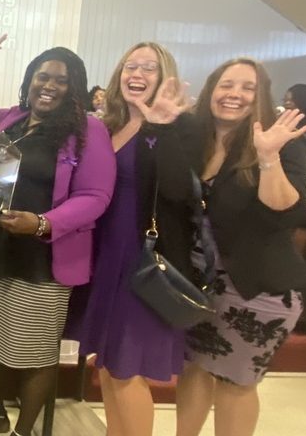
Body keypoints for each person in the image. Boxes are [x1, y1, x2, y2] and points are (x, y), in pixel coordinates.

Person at [0, 32, 116, 436]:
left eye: (61, 79)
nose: (48, 85)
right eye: (41, 75)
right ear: (29, 79)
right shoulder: (9, 120)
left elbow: (95, 195)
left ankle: (24, 429)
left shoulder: (88, 131)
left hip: (42, 260)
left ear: (76, 88)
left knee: (33, 353)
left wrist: (41, 223)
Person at [176, 58, 306, 436]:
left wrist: (268, 157)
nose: (234, 94)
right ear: (211, 90)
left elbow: (285, 213)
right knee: (195, 368)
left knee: (236, 381)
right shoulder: (193, 137)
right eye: (226, 84)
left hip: (255, 289)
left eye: (247, 87)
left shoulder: (282, 141)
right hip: (198, 284)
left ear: (260, 97)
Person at [75, 42, 198, 436]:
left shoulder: (177, 127)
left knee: (127, 371)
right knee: (109, 369)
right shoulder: (107, 124)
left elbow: (181, 191)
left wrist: (161, 128)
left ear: (164, 78)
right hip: (106, 260)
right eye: (130, 66)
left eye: (149, 67)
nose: (137, 74)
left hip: (143, 264)